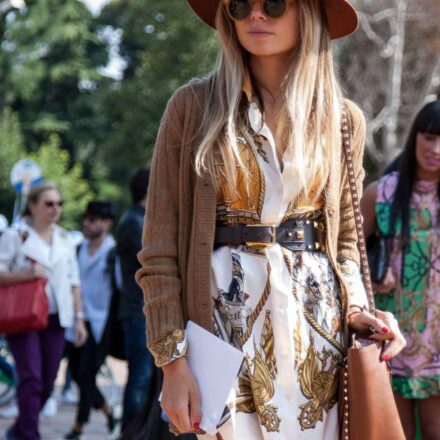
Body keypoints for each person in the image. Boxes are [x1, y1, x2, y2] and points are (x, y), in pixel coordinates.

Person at [136, 0, 407, 439]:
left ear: (308, 14)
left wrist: (360, 309)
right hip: (222, 338)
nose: (256, 15)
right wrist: (173, 363)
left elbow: (346, 242)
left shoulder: (342, 119)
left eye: (275, 4)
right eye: (241, 5)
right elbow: (160, 252)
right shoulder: (192, 107)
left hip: (319, 341)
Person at [361, 100, 440, 440]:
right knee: (397, 432)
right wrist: (372, 278)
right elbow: (346, 253)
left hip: (437, 336)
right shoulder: (383, 193)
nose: (435, 149)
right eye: (429, 137)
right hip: (392, 332)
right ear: (415, 138)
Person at [0, 181, 87, 440]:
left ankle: (18, 429)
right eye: (49, 203)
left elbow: (74, 282)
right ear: (33, 206)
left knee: (48, 382)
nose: (55, 209)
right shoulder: (16, 236)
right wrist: (23, 275)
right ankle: (29, 434)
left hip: (57, 318)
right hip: (24, 317)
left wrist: (79, 319)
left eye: (59, 204)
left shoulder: (64, 238)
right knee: (31, 379)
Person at [64, 201, 120, 440]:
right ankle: (109, 413)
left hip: (101, 324)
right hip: (77, 319)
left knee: (86, 374)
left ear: (107, 223)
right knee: (76, 373)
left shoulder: (113, 252)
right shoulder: (78, 249)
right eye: (87, 218)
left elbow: (120, 288)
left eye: (94, 219)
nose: (88, 223)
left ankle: (78, 427)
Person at [116, 167, 154, 429]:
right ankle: (131, 431)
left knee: (143, 376)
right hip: (136, 311)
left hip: (138, 310)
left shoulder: (136, 219)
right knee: (140, 377)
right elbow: (150, 257)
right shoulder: (134, 221)